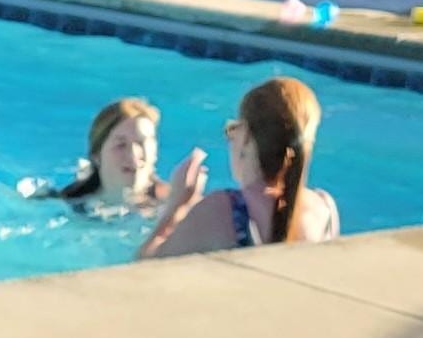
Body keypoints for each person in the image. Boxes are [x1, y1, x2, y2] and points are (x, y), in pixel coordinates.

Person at [136, 75, 339, 257]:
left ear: (247, 138)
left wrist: (176, 206)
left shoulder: (222, 210)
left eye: (233, 130)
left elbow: (143, 267)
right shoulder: (325, 208)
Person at [52, 95, 166, 208]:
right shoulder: (58, 205)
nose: (133, 155)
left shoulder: (174, 208)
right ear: (96, 155)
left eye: (142, 143)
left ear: (155, 151)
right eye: (121, 145)